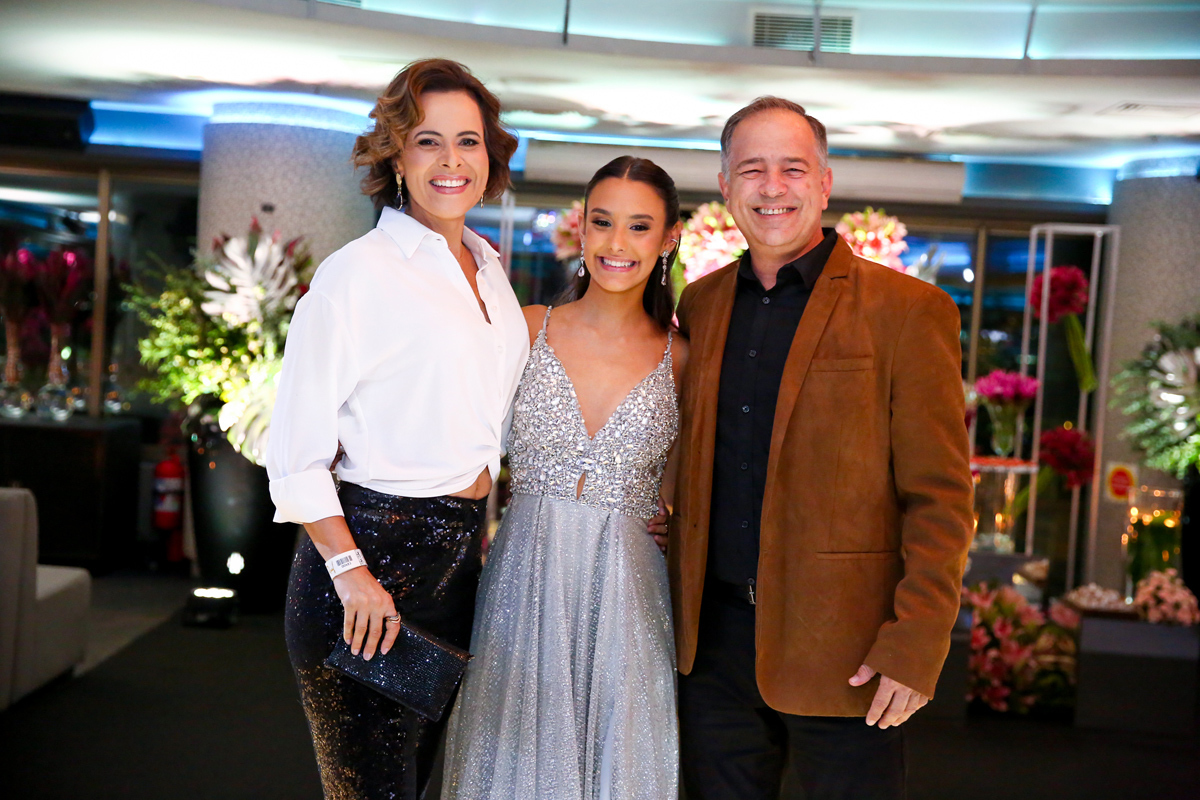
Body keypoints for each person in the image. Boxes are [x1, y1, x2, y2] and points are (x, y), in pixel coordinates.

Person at [660, 97, 974, 799]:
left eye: (793, 169)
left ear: (825, 183)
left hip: (849, 653)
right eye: (752, 169)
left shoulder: (907, 311)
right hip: (712, 655)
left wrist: (917, 641)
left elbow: (941, 497)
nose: (772, 187)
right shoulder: (701, 304)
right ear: (726, 186)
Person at [265, 59, 526, 800]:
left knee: (417, 785)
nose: (451, 161)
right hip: (368, 568)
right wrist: (352, 575)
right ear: (396, 156)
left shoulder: (489, 269)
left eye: (468, 142)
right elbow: (295, 454)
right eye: (427, 141)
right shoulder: (357, 274)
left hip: (457, 563)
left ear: (490, 155)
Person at [442, 156, 688, 800]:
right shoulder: (527, 327)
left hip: (629, 594)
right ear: (582, 228)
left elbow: (690, 488)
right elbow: (459, 443)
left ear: (669, 239)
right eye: (602, 222)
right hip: (523, 577)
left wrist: (677, 525)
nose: (616, 243)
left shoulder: (682, 358)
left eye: (639, 226)